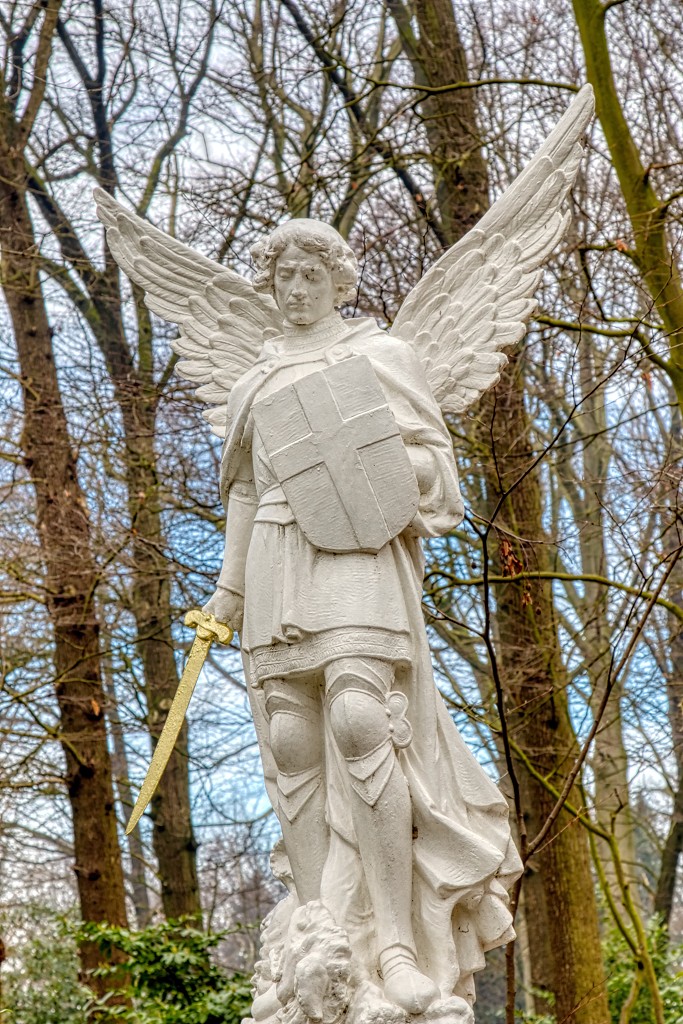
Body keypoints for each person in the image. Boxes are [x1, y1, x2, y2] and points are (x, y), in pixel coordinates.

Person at [203, 220, 520, 1016]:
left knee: (358, 717)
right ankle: (319, 924)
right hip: (276, 557)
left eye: (311, 275)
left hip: (354, 556)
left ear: (340, 282)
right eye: (284, 276)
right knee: (289, 737)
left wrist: (376, 464)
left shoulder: (383, 359)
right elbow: (242, 491)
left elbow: (432, 470)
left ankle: (396, 945)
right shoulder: (255, 382)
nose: (295, 289)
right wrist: (228, 588)